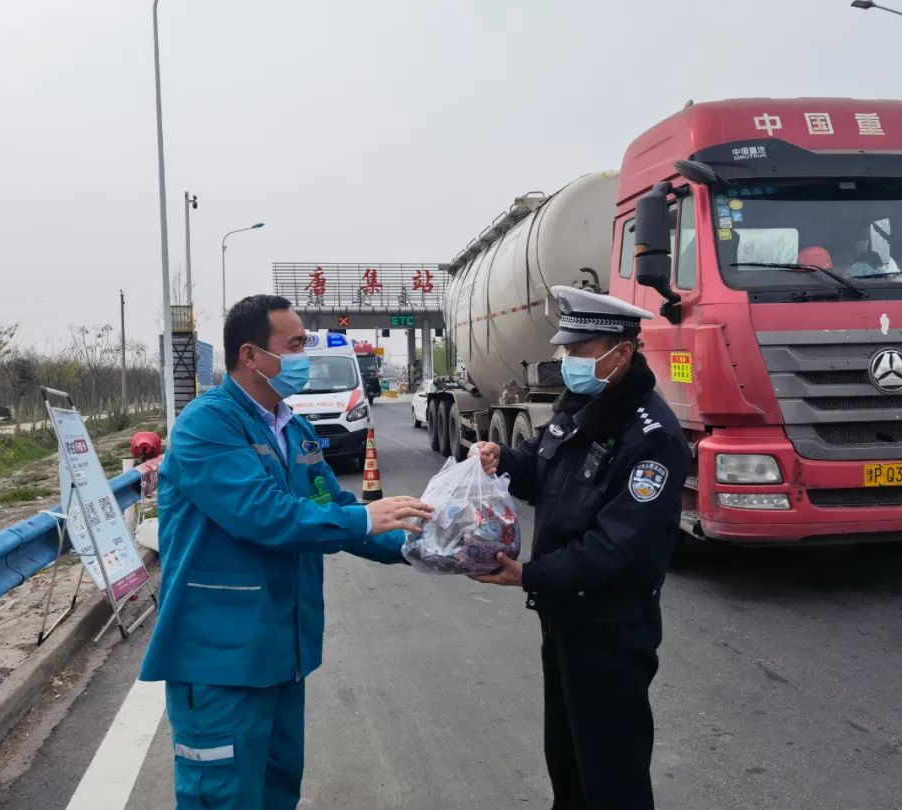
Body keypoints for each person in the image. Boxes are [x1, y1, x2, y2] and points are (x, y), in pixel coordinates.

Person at [139, 295, 432, 810]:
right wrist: (366, 516)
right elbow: (262, 514)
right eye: (294, 346)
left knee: (277, 792)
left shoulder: (292, 427)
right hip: (220, 659)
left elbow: (330, 507)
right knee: (223, 798)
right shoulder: (208, 425)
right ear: (251, 356)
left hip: (281, 653)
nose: (303, 358)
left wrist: (420, 545)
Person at [472, 284, 690, 810]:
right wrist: (502, 459)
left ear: (622, 352)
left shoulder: (652, 438)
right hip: (564, 617)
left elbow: (618, 548)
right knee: (567, 758)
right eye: (566, 350)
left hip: (610, 628)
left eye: (580, 351)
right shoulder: (580, 408)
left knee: (611, 773)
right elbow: (541, 468)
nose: (568, 361)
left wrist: (529, 575)